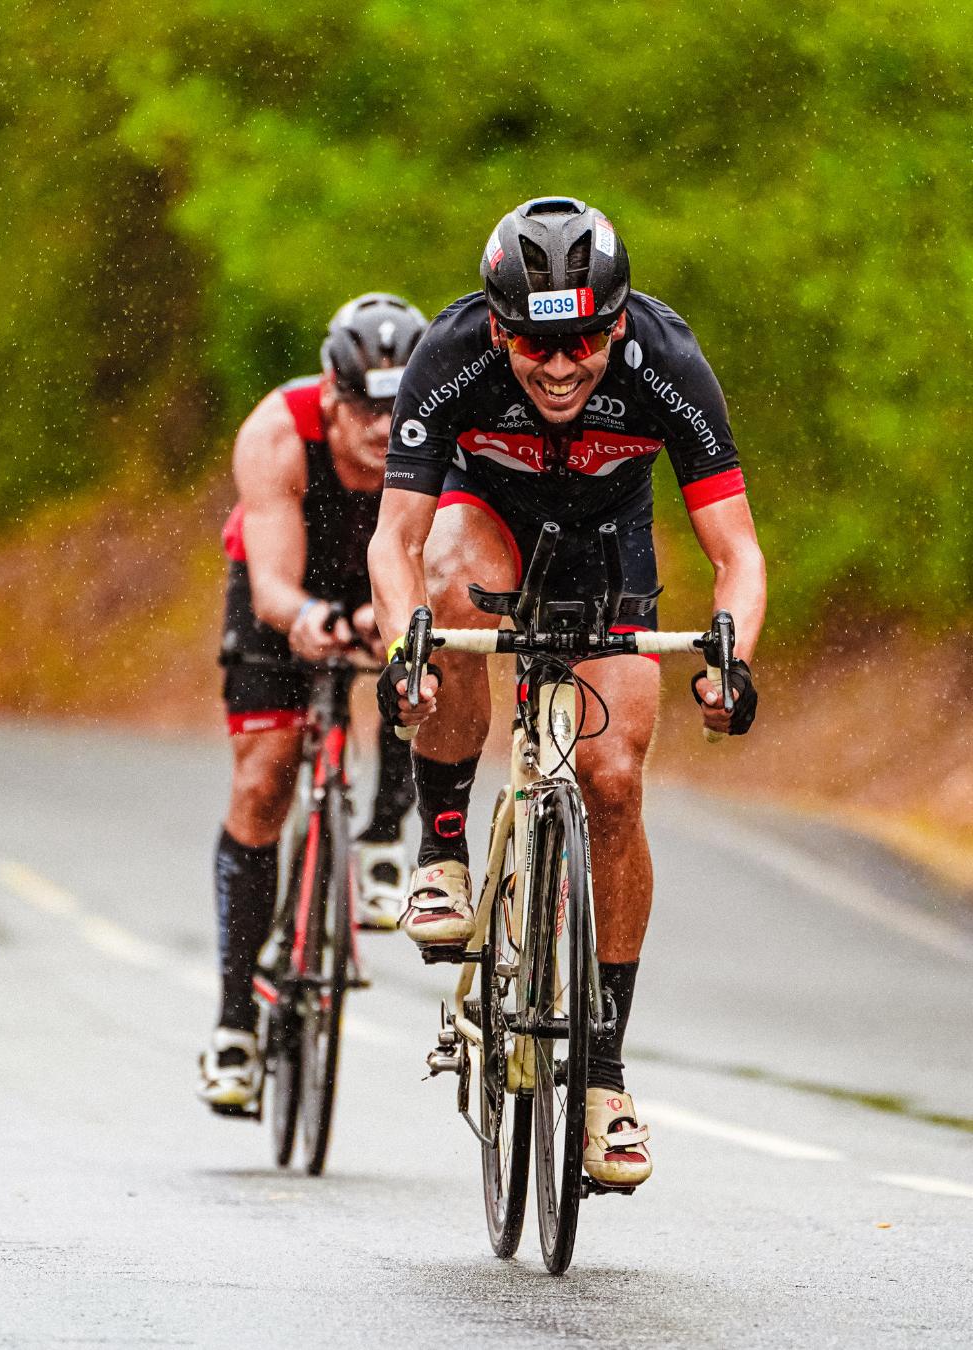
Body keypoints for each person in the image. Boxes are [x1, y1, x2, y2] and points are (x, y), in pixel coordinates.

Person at [367, 199, 766, 1188]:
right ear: (498, 328)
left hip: (606, 545)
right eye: (534, 343)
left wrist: (732, 661)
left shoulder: (666, 360)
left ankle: (601, 1078)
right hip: (482, 518)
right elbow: (396, 540)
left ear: (618, 324)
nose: (558, 366)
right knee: (448, 591)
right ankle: (444, 848)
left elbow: (737, 552)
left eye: (582, 341)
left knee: (614, 781)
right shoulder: (452, 352)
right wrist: (405, 652)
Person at [198, 292, 428, 1115]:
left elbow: (444, 561)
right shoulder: (275, 432)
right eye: (366, 405)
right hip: (289, 584)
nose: (385, 425)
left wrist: (391, 626)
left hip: (389, 580)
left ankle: (383, 835)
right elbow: (270, 587)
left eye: (400, 406)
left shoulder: (439, 434)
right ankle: (234, 1024)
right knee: (264, 780)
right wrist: (312, 620)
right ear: (331, 393)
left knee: (423, 667)